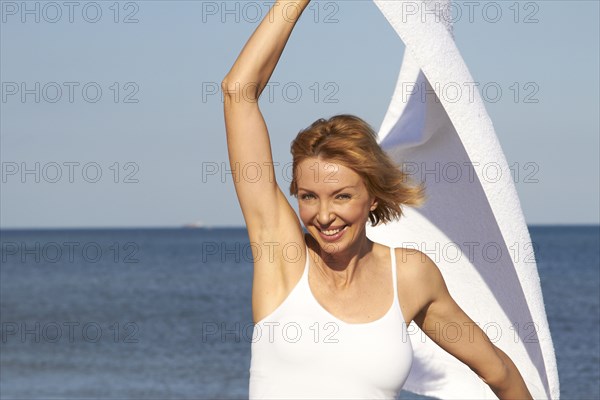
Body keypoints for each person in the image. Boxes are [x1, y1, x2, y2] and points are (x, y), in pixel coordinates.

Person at [221, 1, 534, 398]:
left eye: (342, 196)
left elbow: (499, 371)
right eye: (308, 197)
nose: (324, 215)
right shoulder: (282, 257)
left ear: (371, 196)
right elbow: (238, 92)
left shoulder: (409, 275)